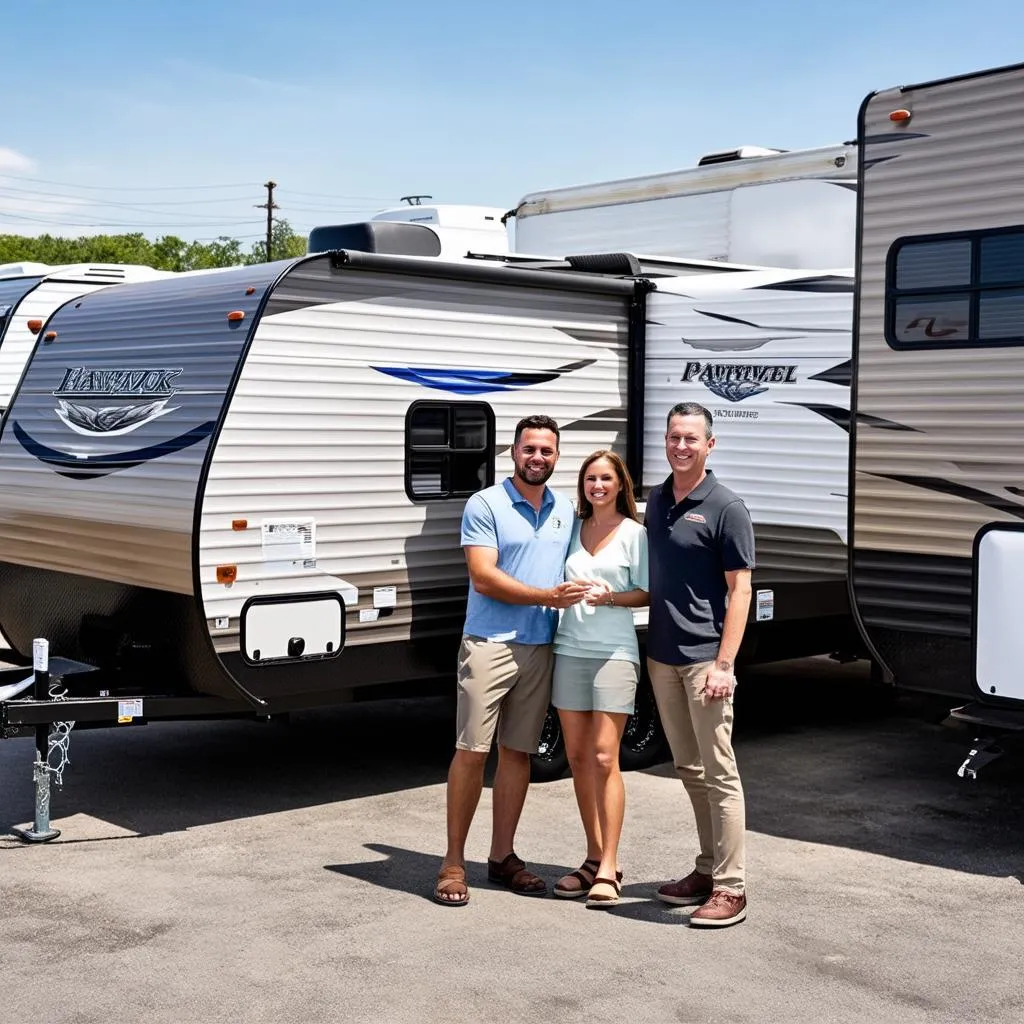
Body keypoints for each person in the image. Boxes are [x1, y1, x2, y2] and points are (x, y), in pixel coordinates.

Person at [433, 414, 589, 907]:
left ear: (557, 456)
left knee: (518, 754)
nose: (537, 457)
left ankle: (503, 857)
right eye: (529, 449)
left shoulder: (566, 508)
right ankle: (453, 862)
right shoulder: (486, 504)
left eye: (546, 450)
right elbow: (483, 576)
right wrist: (545, 594)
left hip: (541, 645)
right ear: (513, 452)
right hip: (489, 644)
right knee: (472, 752)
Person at [645, 402, 754, 928]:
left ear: (710, 445)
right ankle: (708, 868)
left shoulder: (727, 507)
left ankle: (732, 887)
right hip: (662, 658)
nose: (680, 446)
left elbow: (740, 591)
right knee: (689, 770)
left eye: (691, 439)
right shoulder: (658, 498)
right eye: (673, 437)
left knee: (720, 772)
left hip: (705, 661)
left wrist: (724, 663)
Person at [550, 450, 649, 909]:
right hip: (569, 649)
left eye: (606, 478)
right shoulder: (572, 528)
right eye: (591, 478)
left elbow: (646, 591)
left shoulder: (634, 534)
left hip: (614, 653)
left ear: (619, 484)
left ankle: (610, 865)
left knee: (606, 756)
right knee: (576, 756)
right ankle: (591, 857)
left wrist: (612, 600)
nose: (598, 486)